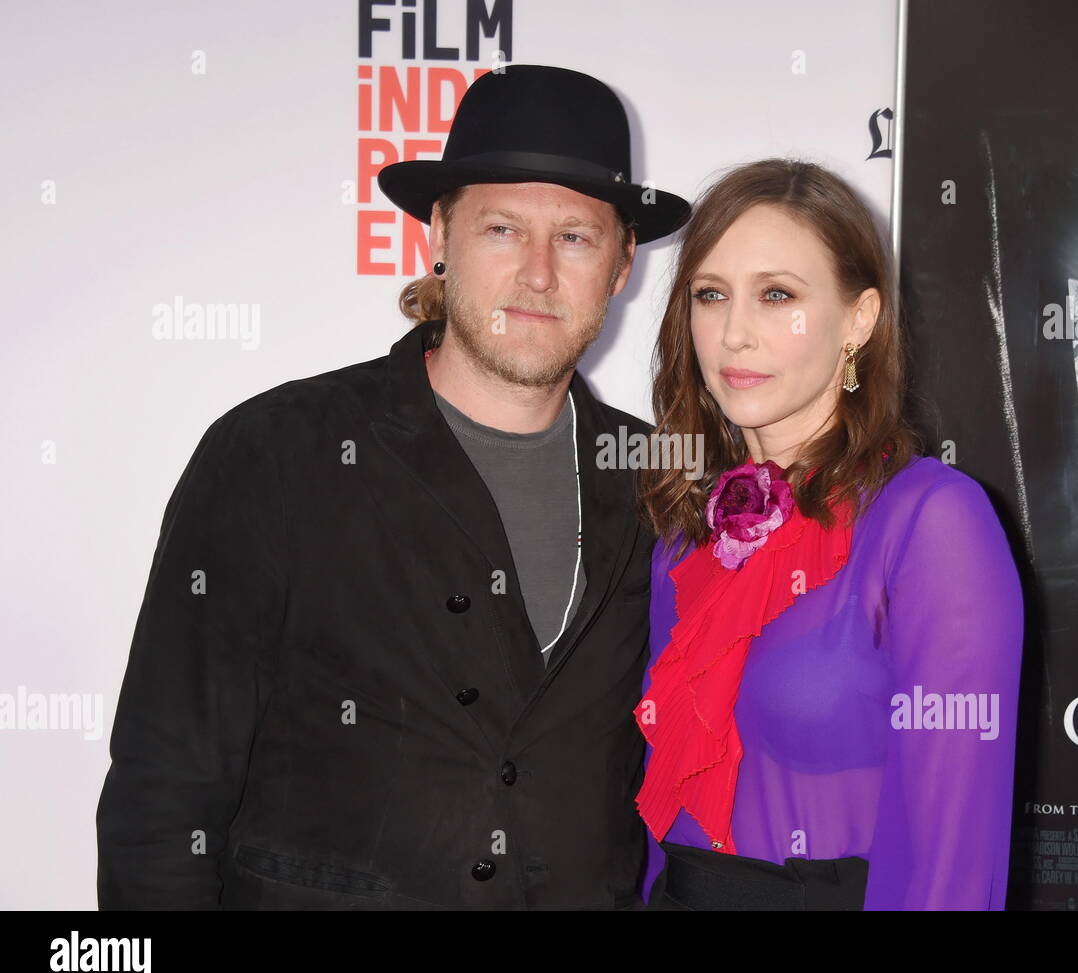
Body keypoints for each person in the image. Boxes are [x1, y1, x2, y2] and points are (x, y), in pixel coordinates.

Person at [95, 64, 691, 909]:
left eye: (576, 238)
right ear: (439, 233)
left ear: (624, 263)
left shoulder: (662, 480)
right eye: (501, 230)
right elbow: (162, 800)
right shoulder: (273, 454)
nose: (537, 274)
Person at [634, 159, 1025, 910]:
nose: (735, 333)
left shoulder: (931, 522)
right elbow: (665, 810)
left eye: (777, 295)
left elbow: (954, 862)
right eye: (711, 295)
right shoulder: (686, 540)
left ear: (860, 319)